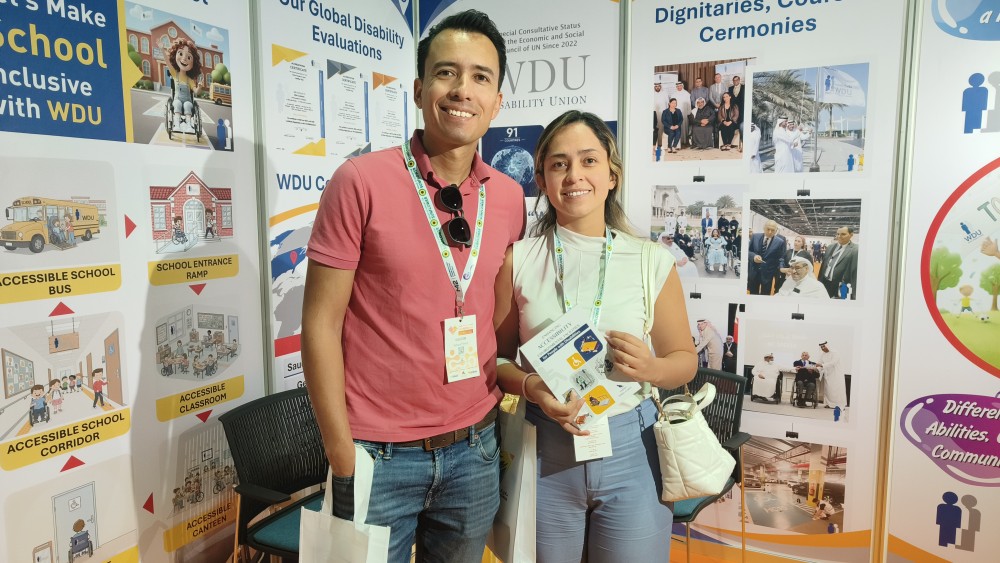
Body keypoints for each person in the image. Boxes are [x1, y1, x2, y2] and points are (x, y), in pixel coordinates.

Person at [301, 11, 524, 562]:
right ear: (421, 89)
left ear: (497, 101)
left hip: (474, 448)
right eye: (447, 72)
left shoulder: (509, 197)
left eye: (480, 77)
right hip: (377, 455)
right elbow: (320, 324)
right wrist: (342, 454)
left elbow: (499, 321)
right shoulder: (360, 181)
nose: (463, 89)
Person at [494, 110, 697, 562]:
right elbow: (498, 360)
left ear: (612, 175)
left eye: (589, 160)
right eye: (559, 164)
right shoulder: (519, 259)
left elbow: (684, 360)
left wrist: (652, 368)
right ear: (542, 180)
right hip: (544, 448)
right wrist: (532, 387)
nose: (574, 175)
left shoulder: (650, 260)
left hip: (633, 450)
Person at [163, 38, 202, 131]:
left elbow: (196, 91)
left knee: (188, 105)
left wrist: (199, 87)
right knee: (177, 103)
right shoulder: (175, 74)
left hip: (188, 101)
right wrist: (162, 49)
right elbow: (167, 62)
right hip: (177, 99)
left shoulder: (190, 80)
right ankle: (177, 125)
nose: (184, 59)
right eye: (180, 54)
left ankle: (189, 125)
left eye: (189, 57)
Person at [747, 220, 786, 295]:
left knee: (765, 296)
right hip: (754, 271)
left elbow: (781, 258)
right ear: (764, 228)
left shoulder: (780, 242)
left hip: (768, 274)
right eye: (768, 229)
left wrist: (781, 267)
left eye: (773, 230)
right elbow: (748, 251)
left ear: (776, 231)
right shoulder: (755, 237)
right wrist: (754, 257)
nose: (770, 232)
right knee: (752, 295)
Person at [819, 226, 859, 299]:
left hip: (842, 285)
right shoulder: (830, 247)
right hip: (825, 282)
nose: (839, 236)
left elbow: (854, 272)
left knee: (840, 303)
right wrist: (819, 282)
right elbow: (823, 266)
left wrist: (853, 294)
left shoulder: (855, 250)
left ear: (851, 235)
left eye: (843, 234)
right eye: (837, 234)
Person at [815, 341, 847, 409]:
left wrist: (822, 365)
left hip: (836, 374)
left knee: (837, 390)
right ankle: (829, 404)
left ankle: (839, 405)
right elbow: (820, 363)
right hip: (828, 375)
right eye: (821, 347)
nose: (823, 348)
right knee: (828, 390)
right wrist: (816, 368)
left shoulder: (835, 353)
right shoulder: (822, 355)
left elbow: (833, 363)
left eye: (824, 346)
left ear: (827, 346)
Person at [670, 81, 691, 147]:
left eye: (680, 86)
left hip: (684, 112)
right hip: (676, 113)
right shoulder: (673, 94)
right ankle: (678, 142)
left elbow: (689, 104)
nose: (679, 87)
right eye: (677, 86)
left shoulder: (686, 93)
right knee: (677, 126)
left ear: (682, 86)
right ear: (676, 87)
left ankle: (684, 141)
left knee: (684, 126)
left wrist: (688, 112)